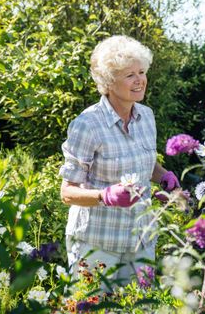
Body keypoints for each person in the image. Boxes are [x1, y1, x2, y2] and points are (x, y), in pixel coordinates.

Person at [59, 35, 180, 287]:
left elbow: (145, 164)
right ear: (109, 81)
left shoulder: (146, 116)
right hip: (97, 243)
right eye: (130, 75)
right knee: (90, 305)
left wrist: (163, 177)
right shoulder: (87, 124)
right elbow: (67, 193)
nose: (140, 80)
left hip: (141, 240)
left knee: (142, 306)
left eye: (142, 72)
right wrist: (104, 196)